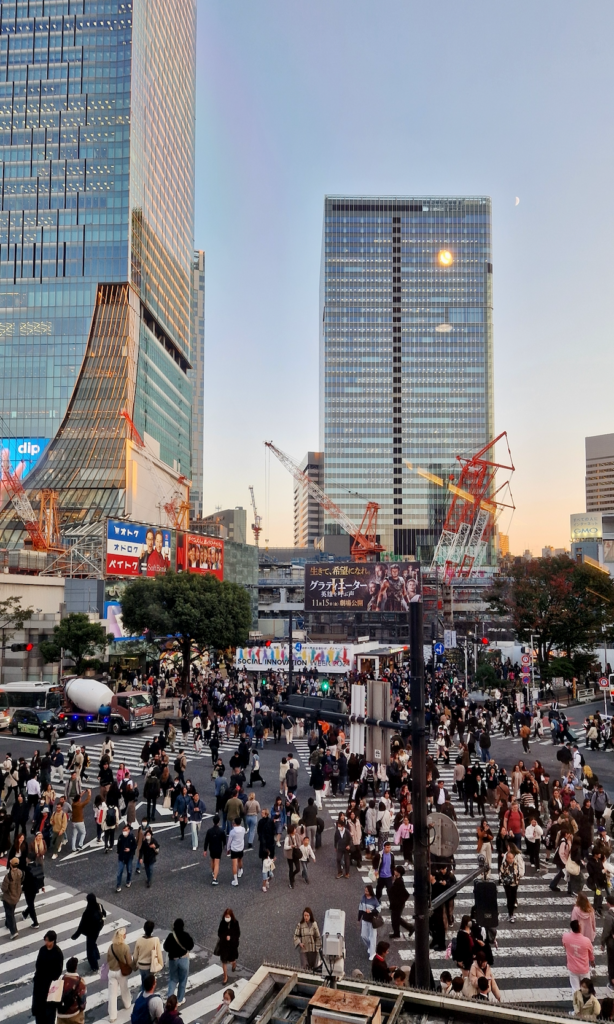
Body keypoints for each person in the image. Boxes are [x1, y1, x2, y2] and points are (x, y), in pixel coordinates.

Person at [32, 930, 64, 1024]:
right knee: (39, 1011)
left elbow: (58, 970)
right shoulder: (42, 950)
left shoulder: (57, 953)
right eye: (45, 940)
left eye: (48, 941)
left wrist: (48, 977)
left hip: (50, 986)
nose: (46, 943)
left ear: (53, 941)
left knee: (49, 1011)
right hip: (40, 984)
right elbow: (38, 965)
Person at [71, 893, 106, 972]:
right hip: (97, 930)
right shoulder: (99, 906)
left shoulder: (87, 912)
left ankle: (94, 965)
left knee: (90, 949)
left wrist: (75, 936)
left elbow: (81, 925)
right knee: (93, 943)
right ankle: (96, 955)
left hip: (90, 933)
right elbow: (104, 914)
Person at [164, 919, 194, 1007]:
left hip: (173, 960)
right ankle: (180, 999)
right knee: (183, 980)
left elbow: (165, 947)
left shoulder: (171, 936)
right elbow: (191, 945)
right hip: (184, 959)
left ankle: (170, 998)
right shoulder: (186, 935)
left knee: (173, 979)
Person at [107, 926, 133, 1022]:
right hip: (121, 972)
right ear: (122, 936)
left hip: (111, 971)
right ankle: (127, 1004)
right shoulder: (125, 947)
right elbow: (129, 961)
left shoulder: (111, 947)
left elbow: (108, 959)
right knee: (124, 989)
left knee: (112, 994)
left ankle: (112, 1016)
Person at [563, 920, 596, 993]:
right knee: (586, 988)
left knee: (575, 989)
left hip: (572, 968)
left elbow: (565, 946)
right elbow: (590, 953)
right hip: (583, 968)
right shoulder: (586, 941)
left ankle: (577, 1003)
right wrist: (592, 961)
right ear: (580, 928)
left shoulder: (565, 937)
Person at [133, 921, 164, 989]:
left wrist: (134, 965)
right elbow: (159, 954)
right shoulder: (155, 940)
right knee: (149, 986)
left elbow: (135, 956)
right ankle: (145, 998)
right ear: (152, 930)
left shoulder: (139, 940)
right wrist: (160, 965)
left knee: (143, 983)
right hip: (150, 967)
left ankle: (141, 996)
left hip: (141, 966)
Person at [56, 957, 87, 1024]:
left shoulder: (60, 979)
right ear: (76, 968)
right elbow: (82, 1001)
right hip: (74, 1013)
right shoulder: (80, 981)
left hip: (61, 1013)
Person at [388, 866, 415, 940]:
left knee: (395, 919)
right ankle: (405, 929)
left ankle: (405, 929)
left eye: (396, 870)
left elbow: (405, 893)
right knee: (396, 918)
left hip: (397, 904)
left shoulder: (399, 882)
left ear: (398, 873)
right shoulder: (398, 880)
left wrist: (399, 902)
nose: (394, 871)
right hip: (397, 903)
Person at [2, 855, 23, 938]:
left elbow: (4, 888)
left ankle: (13, 931)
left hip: (9, 898)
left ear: (11, 865)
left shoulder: (8, 876)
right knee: (11, 911)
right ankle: (7, 924)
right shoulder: (20, 872)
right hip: (17, 896)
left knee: (9, 914)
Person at [217, 909, 240, 984]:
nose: (226, 918)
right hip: (224, 945)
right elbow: (219, 933)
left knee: (231, 960)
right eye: (226, 916)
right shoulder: (222, 923)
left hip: (232, 946)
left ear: (231, 916)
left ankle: (234, 964)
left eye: (228, 916)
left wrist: (231, 938)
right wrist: (224, 937)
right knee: (224, 961)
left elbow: (238, 934)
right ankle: (225, 977)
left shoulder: (235, 923)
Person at [359, 884, 381, 960]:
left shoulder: (374, 900)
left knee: (373, 937)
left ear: (370, 891)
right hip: (365, 919)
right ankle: (370, 946)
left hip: (372, 921)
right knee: (363, 935)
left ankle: (373, 953)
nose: (365, 892)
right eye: (365, 890)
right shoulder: (363, 898)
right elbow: (360, 908)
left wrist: (371, 911)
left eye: (367, 891)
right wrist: (359, 918)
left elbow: (378, 909)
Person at [23, 852, 45, 929]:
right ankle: (25, 913)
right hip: (35, 888)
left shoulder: (27, 869)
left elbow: (24, 880)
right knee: (31, 902)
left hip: (28, 889)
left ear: (28, 859)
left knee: (31, 905)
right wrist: (42, 886)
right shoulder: (38, 865)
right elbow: (41, 876)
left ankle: (35, 922)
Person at [204, 814, 226, 885]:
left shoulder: (209, 831)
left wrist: (205, 850)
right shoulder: (221, 831)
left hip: (211, 848)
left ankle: (213, 872)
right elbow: (224, 841)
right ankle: (215, 879)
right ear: (218, 822)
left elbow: (206, 841)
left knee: (212, 860)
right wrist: (225, 847)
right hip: (218, 848)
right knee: (217, 863)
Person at [500, 850, 520, 922]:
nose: (511, 859)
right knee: (509, 898)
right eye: (510, 858)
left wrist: (517, 880)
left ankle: (511, 912)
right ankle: (510, 914)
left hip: (515, 884)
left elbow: (518, 872)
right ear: (507, 858)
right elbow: (501, 874)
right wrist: (505, 881)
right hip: (507, 885)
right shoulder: (504, 864)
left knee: (513, 898)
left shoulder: (515, 863)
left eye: (512, 858)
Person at [117, 823, 137, 892]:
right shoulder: (120, 837)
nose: (124, 831)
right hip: (121, 857)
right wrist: (119, 852)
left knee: (129, 870)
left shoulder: (131, 837)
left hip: (129, 857)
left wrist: (130, 849)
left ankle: (128, 880)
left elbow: (135, 846)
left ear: (129, 830)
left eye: (126, 830)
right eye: (123, 830)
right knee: (119, 872)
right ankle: (118, 885)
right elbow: (118, 846)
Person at [227, 816, 246, 886]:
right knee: (240, 860)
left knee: (234, 864)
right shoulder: (243, 829)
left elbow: (229, 841)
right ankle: (240, 870)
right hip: (241, 848)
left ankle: (235, 880)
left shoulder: (232, 831)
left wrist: (228, 849)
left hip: (234, 849)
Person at [284, 823, 301, 889]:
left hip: (296, 854)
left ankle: (292, 875)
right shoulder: (287, 837)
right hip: (290, 855)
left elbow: (299, 843)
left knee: (298, 868)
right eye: (294, 829)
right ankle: (291, 881)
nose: (295, 830)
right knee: (291, 868)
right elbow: (285, 847)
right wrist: (291, 846)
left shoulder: (297, 835)